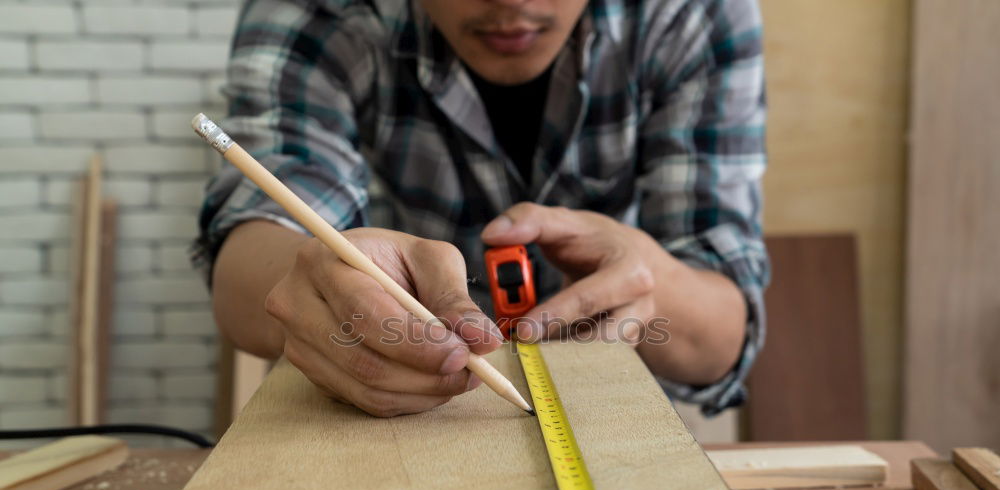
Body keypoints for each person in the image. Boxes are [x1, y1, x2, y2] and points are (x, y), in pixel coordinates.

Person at [195, 0, 768, 418]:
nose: (513, 3)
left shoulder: (691, 12)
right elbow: (248, 264)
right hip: (384, 421)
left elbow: (723, 338)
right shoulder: (316, 11)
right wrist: (318, 280)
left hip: (614, 419)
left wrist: (653, 288)